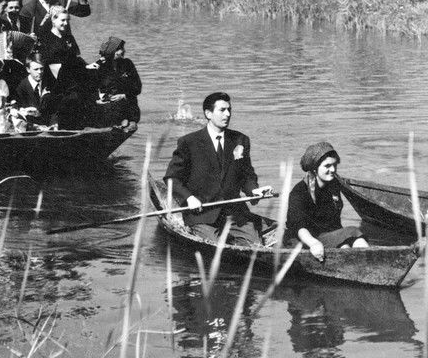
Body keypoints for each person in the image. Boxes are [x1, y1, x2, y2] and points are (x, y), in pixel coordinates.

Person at [163, 92, 273, 245]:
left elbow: (246, 175)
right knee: (216, 245)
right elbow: (172, 178)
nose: (227, 114)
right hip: (202, 214)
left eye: (229, 110)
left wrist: (254, 190)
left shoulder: (240, 140)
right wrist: (189, 198)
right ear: (208, 113)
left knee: (256, 244)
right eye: (222, 110)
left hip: (234, 213)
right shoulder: (189, 142)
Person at [284, 141, 368, 261]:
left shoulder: (333, 185)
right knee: (351, 233)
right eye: (327, 166)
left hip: (327, 236)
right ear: (314, 169)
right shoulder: (299, 192)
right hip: (305, 239)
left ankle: (370, 260)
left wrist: (342, 238)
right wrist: (314, 244)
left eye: (334, 165)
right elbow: (299, 226)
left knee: (351, 239)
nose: (333, 169)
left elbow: (335, 223)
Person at [93, 36, 141, 129]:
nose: (123, 51)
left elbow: (137, 87)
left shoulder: (127, 64)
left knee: (124, 118)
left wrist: (123, 95)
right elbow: (91, 87)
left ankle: (126, 122)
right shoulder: (100, 66)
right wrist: (98, 99)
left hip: (126, 103)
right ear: (112, 51)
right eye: (120, 49)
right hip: (107, 104)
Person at [9, 53, 57, 124]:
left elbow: (54, 108)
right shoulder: (21, 88)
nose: (40, 72)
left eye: (42, 69)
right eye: (36, 69)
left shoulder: (49, 83)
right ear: (28, 69)